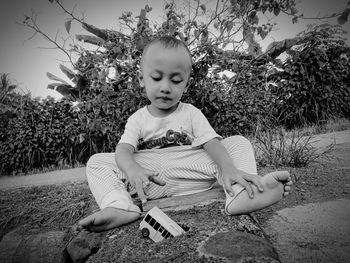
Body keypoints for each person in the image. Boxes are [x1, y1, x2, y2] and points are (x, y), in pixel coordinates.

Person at [78, 36, 292, 232]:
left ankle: (240, 193)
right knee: (97, 162)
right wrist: (133, 169)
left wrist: (228, 169)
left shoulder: (190, 113)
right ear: (142, 79)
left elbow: (211, 143)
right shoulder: (138, 119)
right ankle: (119, 206)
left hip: (190, 170)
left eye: (176, 80)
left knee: (237, 142)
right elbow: (123, 150)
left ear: (186, 84)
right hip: (150, 178)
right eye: (156, 77)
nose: (165, 87)